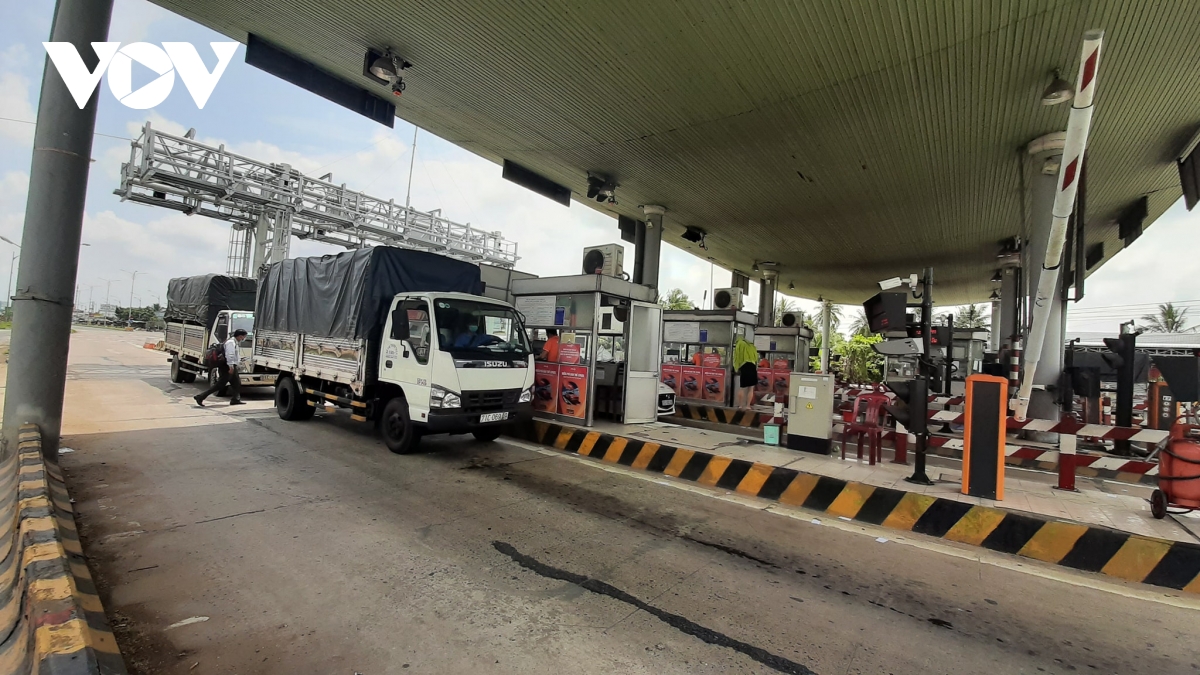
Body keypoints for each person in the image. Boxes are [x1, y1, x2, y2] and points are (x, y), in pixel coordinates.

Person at [194, 329, 246, 407]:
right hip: (226, 366)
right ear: (239, 336)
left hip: (231, 365)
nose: (243, 338)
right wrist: (231, 366)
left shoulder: (234, 342)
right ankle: (200, 397)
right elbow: (230, 354)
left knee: (236, 383)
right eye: (243, 337)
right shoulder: (231, 343)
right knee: (220, 384)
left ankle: (235, 399)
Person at [733, 335, 759, 409]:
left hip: (744, 366)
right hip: (753, 366)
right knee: (751, 389)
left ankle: (740, 405)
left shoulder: (739, 344)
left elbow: (737, 357)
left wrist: (736, 368)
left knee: (742, 388)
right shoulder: (751, 345)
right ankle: (748, 405)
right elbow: (756, 358)